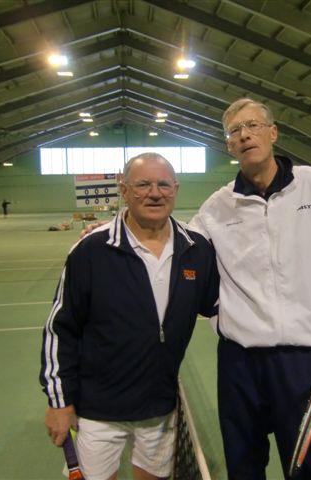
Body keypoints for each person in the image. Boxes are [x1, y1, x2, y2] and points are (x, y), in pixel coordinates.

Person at [186, 98, 311, 479]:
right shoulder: (217, 207)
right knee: (244, 466)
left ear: (273, 133)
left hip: (301, 361)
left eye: (253, 125)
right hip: (238, 362)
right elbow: (181, 252)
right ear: (229, 145)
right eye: (235, 130)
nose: (245, 135)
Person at [40, 153, 219, 480]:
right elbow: (60, 330)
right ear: (124, 190)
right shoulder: (91, 250)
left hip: (159, 408)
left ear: (175, 189)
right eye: (143, 184)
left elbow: (222, 306)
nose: (155, 193)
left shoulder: (197, 250)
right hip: (98, 411)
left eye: (163, 184)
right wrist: (59, 401)